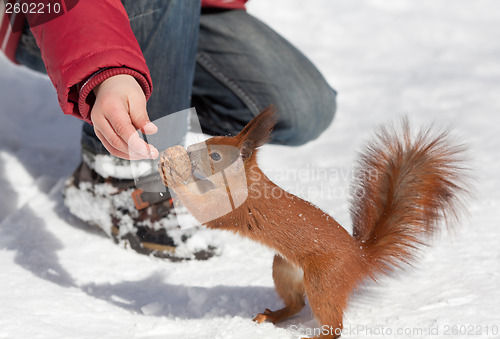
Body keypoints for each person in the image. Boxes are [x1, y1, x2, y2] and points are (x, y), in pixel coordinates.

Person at [1, 0, 336, 260]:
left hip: (186, 9)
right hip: (53, 13)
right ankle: (116, 181)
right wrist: (109, 72)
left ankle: (162, 103)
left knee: (303, 109)